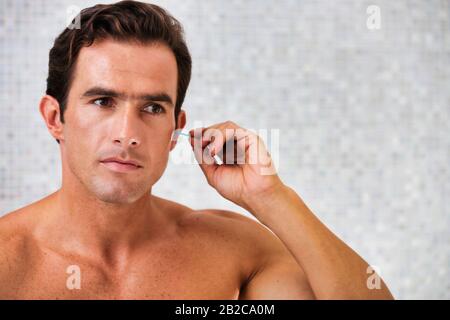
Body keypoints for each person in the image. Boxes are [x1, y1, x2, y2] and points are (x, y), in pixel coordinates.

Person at [0, 1, 393, 299]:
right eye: (103, 101)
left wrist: (272, 198)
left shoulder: (233, 253)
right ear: (55, 117)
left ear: (175, 130)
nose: (127, 133)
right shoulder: (8, 261)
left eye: (153, 108)